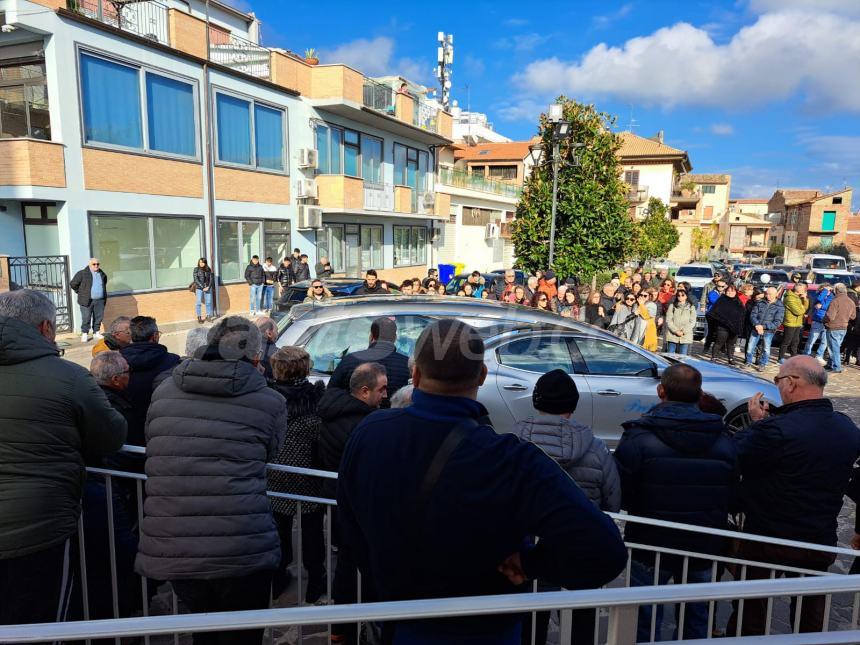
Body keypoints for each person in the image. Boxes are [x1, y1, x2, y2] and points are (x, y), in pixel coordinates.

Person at [336, 320, 627, 644]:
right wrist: (530, 564)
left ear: (415, 376)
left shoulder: (370, 433)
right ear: (482, 377)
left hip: (399, 622)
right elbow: (606, 550)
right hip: (487, 628)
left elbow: (349, 527)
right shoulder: (512, 460)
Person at [135, 317, 286, 645]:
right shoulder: (269, 401)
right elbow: (269, 455)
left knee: (204, 633)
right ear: (256, 358)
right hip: (242, 545)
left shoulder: (164, 391)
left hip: (177, 545)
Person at [0, 289, 127, 628]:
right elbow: (111, 436)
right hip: (39, 527)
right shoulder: (68, 377)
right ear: (45, 328)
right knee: (39, 624)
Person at [728, 355, 860, 635]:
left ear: (790, 383)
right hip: (818, 536)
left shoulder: (774, 429)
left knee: (751, 611)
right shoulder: (846, 428)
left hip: (765, 536)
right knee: (810, 613)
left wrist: (757, 423)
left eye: (777, 380)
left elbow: (735, 454)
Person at [614, 363, 737, 642]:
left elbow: (622, 488)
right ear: (699, 394)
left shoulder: (638, 436)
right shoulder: (723, 438)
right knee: (697, 617)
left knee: (644, 618)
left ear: (661, 391)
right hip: (703, 541)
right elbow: (732, 490)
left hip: (651, 541)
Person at [513, 369, 621, 645]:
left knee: (531, 617)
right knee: (580, 621)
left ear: (536, 402)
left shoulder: (514, 443)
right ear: (573, 406)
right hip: (581, 549)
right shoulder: (596, 448)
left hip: (530, 548)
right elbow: (612, 501)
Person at [320, 363, 388, 644]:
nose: (385, 395)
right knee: (359, 569)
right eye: (382, 389)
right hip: (357, 509)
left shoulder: (333, 414)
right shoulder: (364, 425)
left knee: (346, 567)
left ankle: (341, 630)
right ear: (364, 391)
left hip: (338, 504)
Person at [267, 346, 327, 603]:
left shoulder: (266, 398)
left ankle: (279, 578)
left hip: (276, 474)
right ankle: (316, 580)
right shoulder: (316, 400)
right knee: (312, 532)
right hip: (308, 475)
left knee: (279, 529)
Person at [120, 316, 181, 446]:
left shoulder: (116, 362)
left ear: (131, 337)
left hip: (126, 433)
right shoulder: (173, 362)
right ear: (155, 336)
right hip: (162, 430)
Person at [329, 316, 410, 398]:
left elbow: (331, 395)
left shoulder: (348, 361)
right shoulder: (408, 365)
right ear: (395, 338)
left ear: (371, 336)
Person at [745, 286, 785, 371]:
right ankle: (748, 362)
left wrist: (763, 327)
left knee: (766, 349)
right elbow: (753, 315)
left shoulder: (780, 306)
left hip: (768, 331)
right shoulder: (760, 303)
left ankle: (762, 364)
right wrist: (757, 325)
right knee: (750, 347)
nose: (767, 296)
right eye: (766, 294)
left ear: (776, 295)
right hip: (756, 329)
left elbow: (777, 322)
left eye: (770, 294)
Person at [71, 257, 109, 343]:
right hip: (86, 300)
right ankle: (84, 333)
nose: (96, 266)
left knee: (98, 317)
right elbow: (73, 284)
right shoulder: (82, 273)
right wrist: (80, 292)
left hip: (100, 300)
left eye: (97, 264)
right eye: (94, 264)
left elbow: (104, 283)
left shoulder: (102, 274)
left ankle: (96, 332)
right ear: (90, 264)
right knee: (86, 317)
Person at [707, 284, 746, 364]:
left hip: (734, 327)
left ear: (735, 292)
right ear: (725, 292)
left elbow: (742, 314)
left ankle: (731, 358)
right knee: (719, 342)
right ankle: (714, 357)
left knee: (731, 344)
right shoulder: (721, 300)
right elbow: (714, 313)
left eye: (732, 291)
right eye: (728, 291)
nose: (730, 293)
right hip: (722, 327)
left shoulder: (738, 302)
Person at [823, 283, 856, 373]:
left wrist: (823, 320)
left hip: (833, 326)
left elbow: (830, 316)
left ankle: (837, 367)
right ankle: (830, 364)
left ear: (836, 290)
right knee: (835, 346)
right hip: (844, 327)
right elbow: (853, 316)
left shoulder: (835, 301)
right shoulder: (851, 301)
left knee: (834, 348)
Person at [778, 282, 809, 363]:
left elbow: (805, 308)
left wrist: (805, 299)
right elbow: (798, 311)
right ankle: (780, 358)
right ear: (798, 289)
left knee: (795, 341)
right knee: (786, 341)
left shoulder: (798, 297)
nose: (805, 290)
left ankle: (793, 357)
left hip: (797, 322)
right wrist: (802, 309)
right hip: (790, 322)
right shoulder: (790, 298)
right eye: (803, 289)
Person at [804, 283, 834, 362]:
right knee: (811, 339)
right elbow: (819, 300)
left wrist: (822, 306)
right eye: (826, 290)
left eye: (829, 290)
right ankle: (806, 354)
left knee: (825, 341)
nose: (828, 291)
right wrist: (824, 291)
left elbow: (829, 306)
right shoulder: (819, 295)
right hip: (817, 320)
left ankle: (819, 355)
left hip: (827, 321)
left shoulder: (832, 296)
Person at [663, 290, 696, 355]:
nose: (680, 297)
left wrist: (683, 331)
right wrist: (675, 331)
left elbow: (692, 321)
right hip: (672, 335)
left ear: (686, 296)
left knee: (682, 357)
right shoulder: (672, 306)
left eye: (682, 295)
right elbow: (668, 320)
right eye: (678, 295)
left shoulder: (691, 307)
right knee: (670, 356)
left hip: (685, 335)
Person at [255, 316, 278, 381]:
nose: (277, 333)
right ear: (269, 333)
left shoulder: (248, 349)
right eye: (276, 330)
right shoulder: (276, 354)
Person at [192, 257, 214, 323]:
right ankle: (199, 317)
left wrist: (208, 287)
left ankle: (208, 316)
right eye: (200, 262)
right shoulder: (196, 269)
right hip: (199, 288)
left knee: (208, 302)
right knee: (198, 303)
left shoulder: (208, 269)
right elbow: (196, 279)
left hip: (207, 287)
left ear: (205, 263)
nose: (201, 263)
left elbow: (211, 279)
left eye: (202, 262)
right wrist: (202, 287)